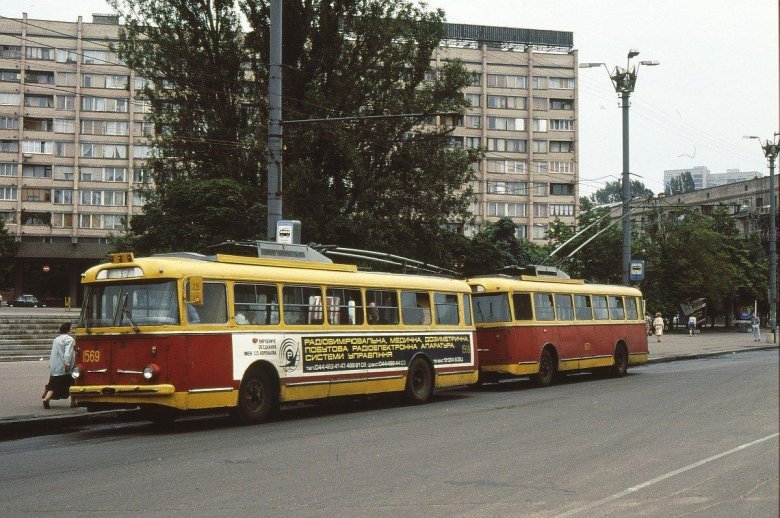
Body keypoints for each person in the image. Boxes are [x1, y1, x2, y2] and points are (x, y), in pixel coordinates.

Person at [42, 322, 75, 409]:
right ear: (68, 330)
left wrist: (51, 365)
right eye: (71, 328)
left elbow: (53, 353)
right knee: (72, 384)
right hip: (64, 366)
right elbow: (68, 353)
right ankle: (73, 402)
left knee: (53, 384)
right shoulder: (70, 339)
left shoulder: (56, 339)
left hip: (55, 366)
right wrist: (67, 363)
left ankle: (47, 398)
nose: (72, 330)